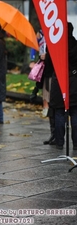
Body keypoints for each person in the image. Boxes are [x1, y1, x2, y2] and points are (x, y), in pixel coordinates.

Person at [50, 22, 77, 150]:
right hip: (74, 81)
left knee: (60, 112)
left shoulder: (56, 46)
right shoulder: (75, 44)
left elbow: (49, 65)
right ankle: (76, 143)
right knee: (75, 113)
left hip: (59, 82)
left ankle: (59, 142)